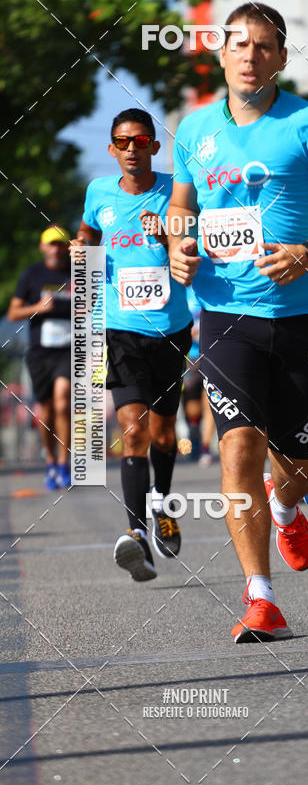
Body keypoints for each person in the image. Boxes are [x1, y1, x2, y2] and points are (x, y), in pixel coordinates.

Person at [166, 2, 308, 642]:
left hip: (300, 317)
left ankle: (286, 506)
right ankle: (261, 598)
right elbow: (182, 207)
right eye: (240, 44)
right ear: (221, 54)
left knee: (300, 462)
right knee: (238, 447)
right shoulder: (193, 130)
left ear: (282, 57)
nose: (250, 55)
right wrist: (177, 245)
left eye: (264, 46)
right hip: (225, 313)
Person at [71, 108, 192, 582]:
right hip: (119, 329)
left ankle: (162, 502)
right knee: (134, 431)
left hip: (171, 328)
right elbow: (88, 232)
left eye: (141, 141)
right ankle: (137, 535)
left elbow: (194, 244)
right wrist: (82, 248)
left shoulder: (176, 192)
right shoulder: (98, 192)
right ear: (112, 149)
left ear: (154, 147)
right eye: (122, 142)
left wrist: (166, 234)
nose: (132, 150)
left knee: (165, 435)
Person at [8, 225, 72, 489]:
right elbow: (13, 313)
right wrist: (38, 307)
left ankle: (64, 463)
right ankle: (50, 460)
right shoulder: (31, 275)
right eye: (51, 244)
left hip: (70, 348)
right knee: (45, 411)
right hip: (40, 351)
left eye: (60, 244)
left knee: (62, 403)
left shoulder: (77, 273)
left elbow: (96, 305)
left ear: (66, 248)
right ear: (43, 247)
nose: (56, 249)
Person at [182, 287, 216, 465]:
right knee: (191, 403)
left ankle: (205, 447)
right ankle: (194, 431)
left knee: (210, 400)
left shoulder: (212, 284)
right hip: (191, 355)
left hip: (212, 353)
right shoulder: (181, 289)